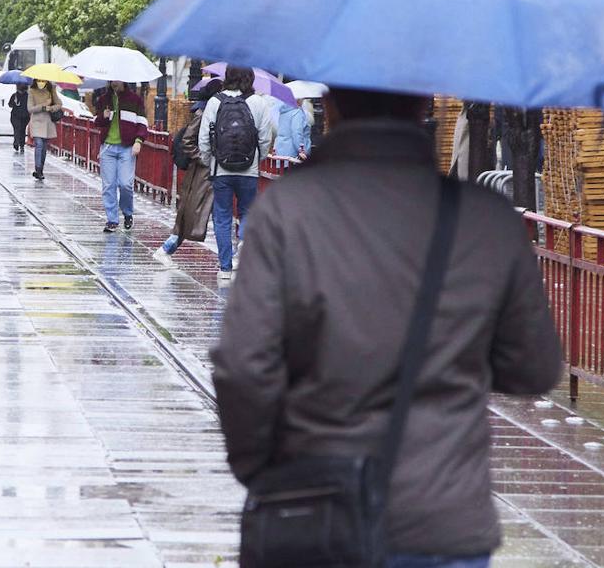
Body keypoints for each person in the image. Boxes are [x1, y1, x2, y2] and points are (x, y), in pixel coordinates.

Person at [211, 88, 562, 568]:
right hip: (442, 517)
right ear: (423, 106)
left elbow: (243, 366)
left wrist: (263, 470)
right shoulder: (487, 220)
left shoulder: (288, 211)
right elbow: (534, 367)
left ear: (331, 107)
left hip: (317, 508)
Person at [197, 66, 275, 280]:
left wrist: (209, 161)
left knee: (222, 216)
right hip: (248, 170)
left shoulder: (215, 102)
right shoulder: (259, 103)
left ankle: (224, 267)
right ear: (250, 78)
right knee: (248, 212)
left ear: (227, 77)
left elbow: (204, 139)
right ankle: (243, 239)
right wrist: (257, 160)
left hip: (220, 169)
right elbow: (266, 138)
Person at [154, 80, 220, 264]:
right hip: (203, 172)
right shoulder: (205, 113)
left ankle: (168, 247)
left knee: (196, 214)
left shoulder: (209, 111)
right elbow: (188, 140)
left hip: (209, 171)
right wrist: (203, 158)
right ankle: (168, 247)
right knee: (191, 215)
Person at [93, 81, 148, 232]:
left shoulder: (135, 100)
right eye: (111, 80)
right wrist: (103, 117)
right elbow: (96, 122)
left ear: (123, 80)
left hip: (127, 148)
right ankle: (112, 220)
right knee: (108, 185)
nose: (113, 83)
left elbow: (142, 123)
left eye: (116, 80)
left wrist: (138, 141)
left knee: (125, 184)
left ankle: (128, 212)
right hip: (108, 148)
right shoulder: (104, 99)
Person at [27, 78, 61, 180]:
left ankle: (40, 169)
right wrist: (43, 106)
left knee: (44, 147)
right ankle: (37, 169)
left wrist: (51, 108)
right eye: (39, 80)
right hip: (37, 122)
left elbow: (59, 104)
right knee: (39, 144)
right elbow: (30, 108)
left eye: (43, 81)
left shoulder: (51, 90)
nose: (41, 83)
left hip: (48, 122)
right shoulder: (31, 91)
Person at [8, 83, 30, 153]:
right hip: (17, 116)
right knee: (18, 129)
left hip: (23, 116)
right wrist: (14, 102)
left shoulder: (27, 96)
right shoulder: (15, 96)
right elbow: (10, 105)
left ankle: (20, 144)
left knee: (21, 129)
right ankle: (18, 143)